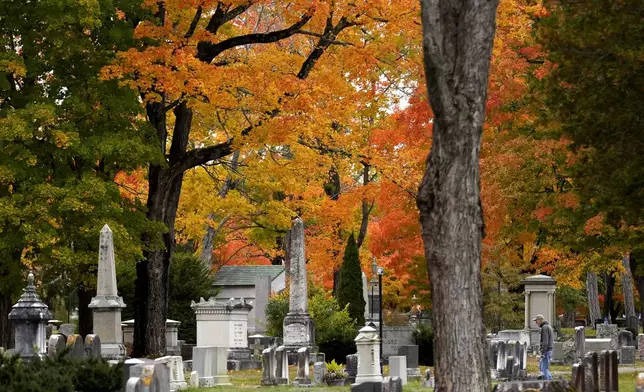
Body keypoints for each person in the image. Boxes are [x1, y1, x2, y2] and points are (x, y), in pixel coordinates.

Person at [534, 314, 554, 380]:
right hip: (549, 350)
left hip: (546, 350)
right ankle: (551, 381)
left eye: (536, 321)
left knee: (544, 368)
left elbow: (545, 341)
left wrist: (542, 352)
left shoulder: (544, 328)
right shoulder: (549, 327)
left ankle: (546, 384)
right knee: (544, 368)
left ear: (540, 320)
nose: (536, 323)